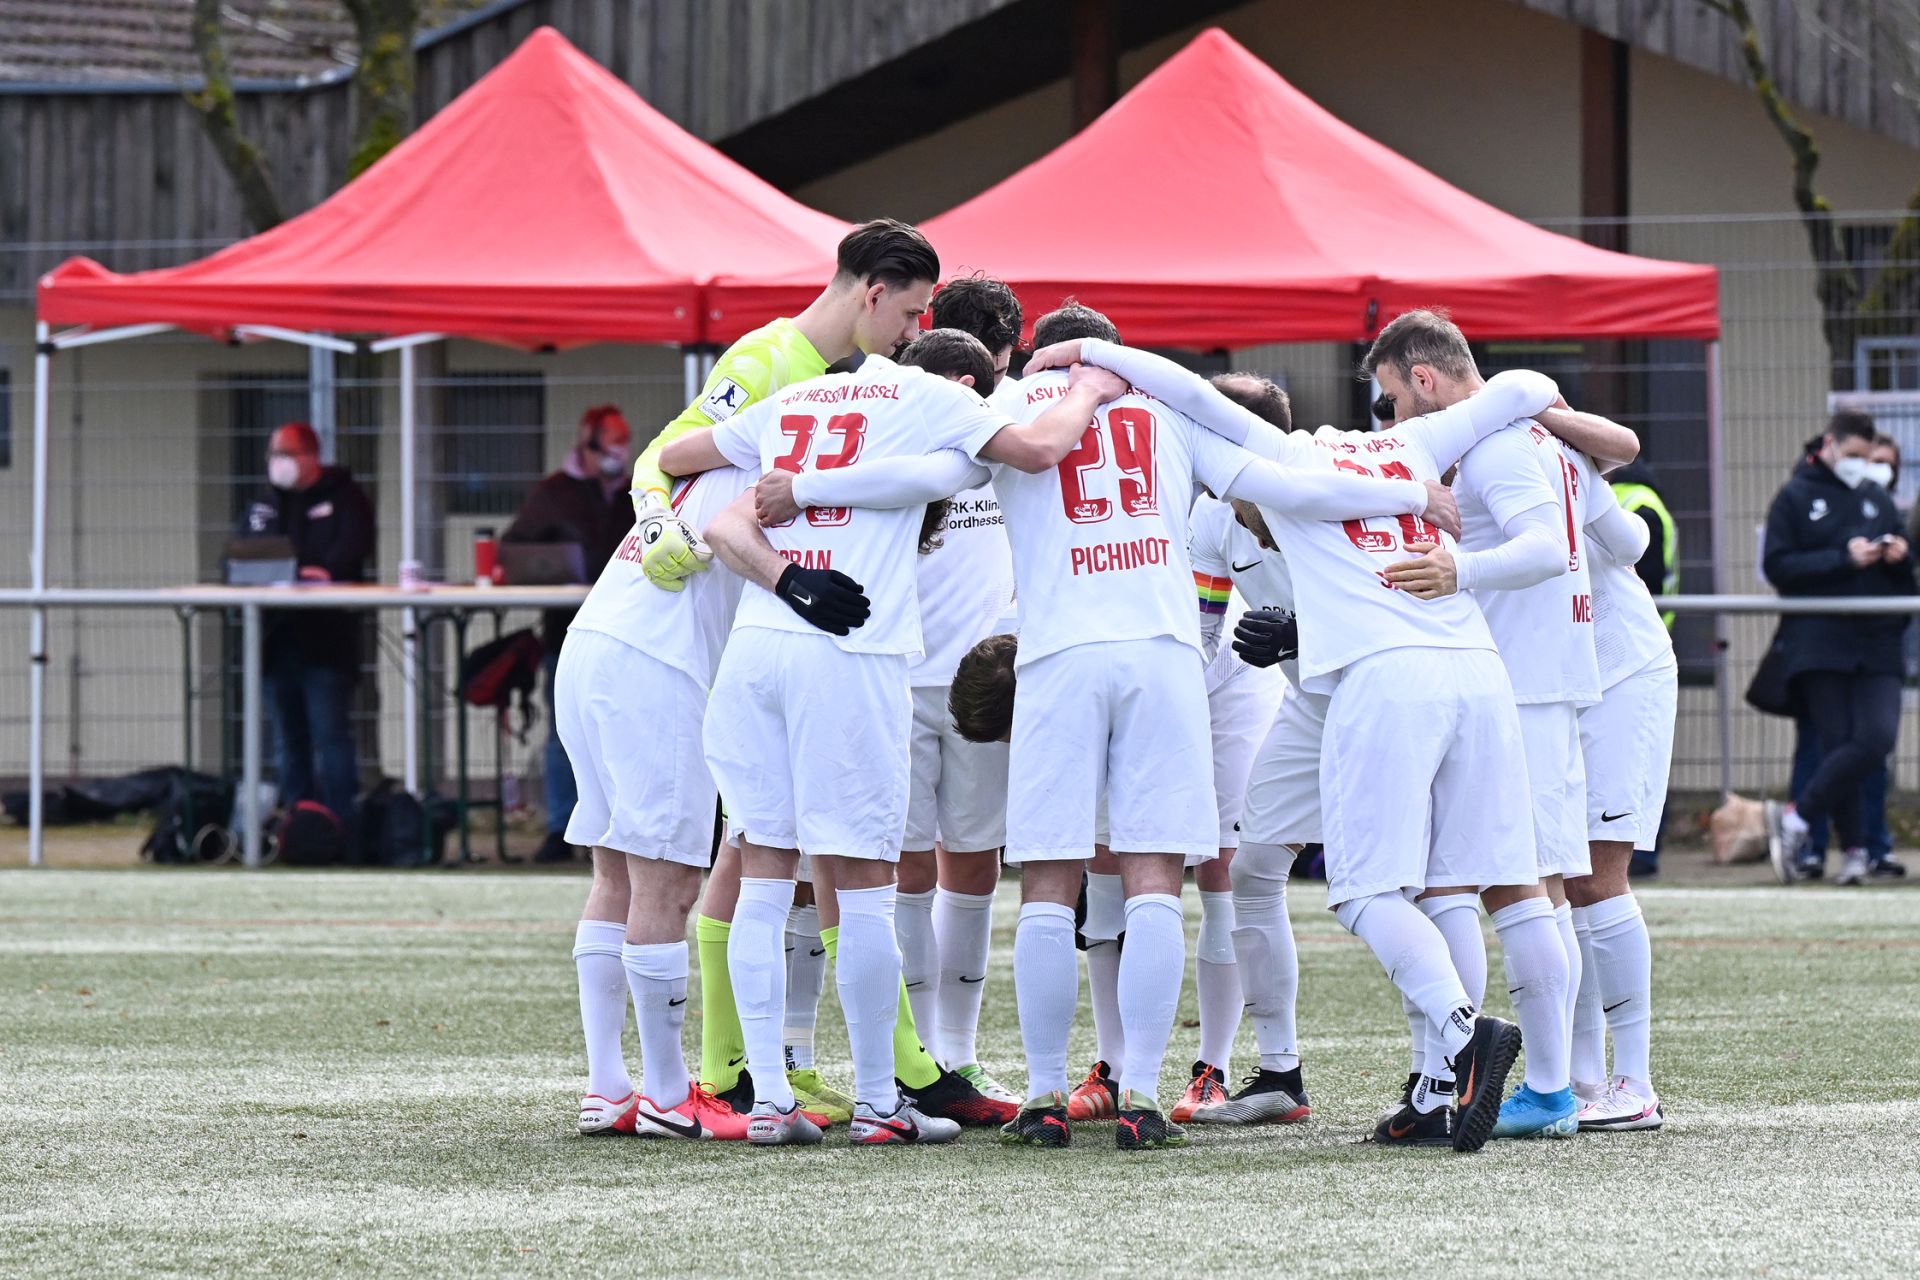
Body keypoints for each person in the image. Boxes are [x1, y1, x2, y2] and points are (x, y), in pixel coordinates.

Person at [1040, 318, 1636, 1152]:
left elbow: (1178, 388)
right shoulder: (1412, 446)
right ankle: (1442, 1090)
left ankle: (1463, 1034)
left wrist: (1089, 359)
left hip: (1382, 678)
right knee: (1460, 882)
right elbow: (1523, 388)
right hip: (1476, 669)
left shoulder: (1287, 463)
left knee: (1363, 892)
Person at [658, 328, 1133, 1145]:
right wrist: (1093, 389)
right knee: (866, 880)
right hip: (851, 656)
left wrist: (794, 530)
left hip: (759, 647)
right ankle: (880, 1099)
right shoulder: (932, 398)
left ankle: (769, 1100)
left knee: (766, 873)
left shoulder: (798, 398)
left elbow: (681, 460)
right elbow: (1032, 448)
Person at [611, 218, 953, 1125]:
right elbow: (664, 455)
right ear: (873, 291)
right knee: (787, 862)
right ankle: (770, 1074)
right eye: (911, 312)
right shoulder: (770, 362)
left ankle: (766, 1081)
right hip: (743, 635)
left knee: (765, 858)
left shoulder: (848, 383)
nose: (914, 332)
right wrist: (657, 529)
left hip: (759, 641)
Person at [556, 424, 867, 1140]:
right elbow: (735, 534)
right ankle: (668, 1096)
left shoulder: (709, 453)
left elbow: (661, 459)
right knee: (666, 882)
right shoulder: (788, 461)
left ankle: (610, 1088)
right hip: (657, 666)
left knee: (616, 875)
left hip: (593, 643)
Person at [1565, 459, 1679, 1132]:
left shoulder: (1541, 449)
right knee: (1560, 877)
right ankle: (1578, 1079)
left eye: (1399, 400)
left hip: (1621, 676)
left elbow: (1634, 543)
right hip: (1558, 686)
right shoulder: (1443, 468)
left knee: (1598, 873)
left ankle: (1634, 1082)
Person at [1763, 411, 1915, 886]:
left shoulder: (1875, 498)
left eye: (1867, 459)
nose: (1860, 467)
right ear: (1830, 445)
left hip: (1878, 640)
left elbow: (1904, 580)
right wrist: (1840, 559)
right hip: (1819, 641)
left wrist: (1898, 558)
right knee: (1836, 743)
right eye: (1852, 456)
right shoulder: (1795, 495)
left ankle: (1797, 817)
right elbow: (1778, 566)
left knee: (1875, 738)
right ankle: (1853, 851)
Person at [504, 405, 636, 864]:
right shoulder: (553, 493)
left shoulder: (639, 492)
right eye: (612, 441)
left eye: (625, 441)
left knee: (628, 728)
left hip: (627, 630)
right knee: (565, 732)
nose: (620, 451)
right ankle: (563, 828)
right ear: (588, 442)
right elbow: (517, 547)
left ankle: (624, 827)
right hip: (566, 630)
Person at [240, 422, 375, 838]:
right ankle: (296, 828)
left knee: (331, 736)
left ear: (312, 456)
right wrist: (298, 569)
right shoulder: (266, 506)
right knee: (287, 740)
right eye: (273, 454)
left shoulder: (346, 499)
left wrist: (304, 569)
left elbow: (344, 558)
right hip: (276, 644)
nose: (277, 463)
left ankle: (342, 830)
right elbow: (245, 557)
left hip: (328, 643)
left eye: (287, 453)